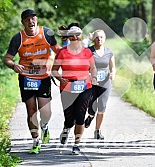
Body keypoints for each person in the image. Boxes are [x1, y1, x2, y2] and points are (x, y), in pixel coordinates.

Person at [4, 9, 61, 154]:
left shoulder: (47, 33)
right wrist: (14, 65)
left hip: (44, 78)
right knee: (32, 111)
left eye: (33, 18)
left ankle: (45, 126)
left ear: (37, 20)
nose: (31, 21)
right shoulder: (18, 38)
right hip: (26, 77)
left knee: (46, 112)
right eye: (27, 19)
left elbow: (59, 51)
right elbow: (7, 58)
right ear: (23, 22)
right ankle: (35, 141)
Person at [52, 23, 97, 155]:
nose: (75, 38)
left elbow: (93, 67)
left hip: (84, 87)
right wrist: (60, 79)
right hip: (67, 87)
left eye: (77, 35)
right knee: (69, 118)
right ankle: (66, 129)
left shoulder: (87, 51)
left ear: (81, 36)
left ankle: (76, 144)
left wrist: (93, 77)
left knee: (80, 116)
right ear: (68, 37)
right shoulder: (62, 52)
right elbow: (54, 70)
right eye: (72, 36)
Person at [84, 29, 116, 140]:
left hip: (105, 82)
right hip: (92, 82)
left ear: (105, 38)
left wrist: (112, 73)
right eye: (97, 37)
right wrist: (89, 76)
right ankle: (90, 116)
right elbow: (84, 66)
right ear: (94, 39)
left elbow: (113, 67)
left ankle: (97, 131)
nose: (99, 39)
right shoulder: (89, 51)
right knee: (92, 107)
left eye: (101, 37)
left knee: (102, 107)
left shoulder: (109, 52)